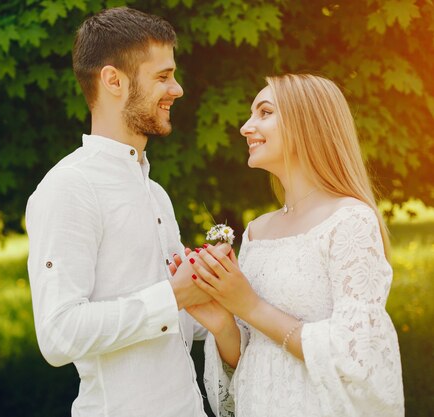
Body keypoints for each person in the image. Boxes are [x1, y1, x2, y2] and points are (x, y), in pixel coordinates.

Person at [26, 7, 228, 417]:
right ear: (113, 80)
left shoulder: (155, 194)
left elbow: (174, 326)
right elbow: (57, 334)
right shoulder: (70, 188)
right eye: (162, 76)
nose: (178, 89)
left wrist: (221, 289)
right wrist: (173, 295)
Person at [180, 74, 405, 417]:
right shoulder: (256, 231)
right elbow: (253, 359)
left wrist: (250, 305)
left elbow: (358, 352)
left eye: (264, 113)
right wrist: (224, 320)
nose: (245, 127)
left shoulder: (350, 221)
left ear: (307, 124)